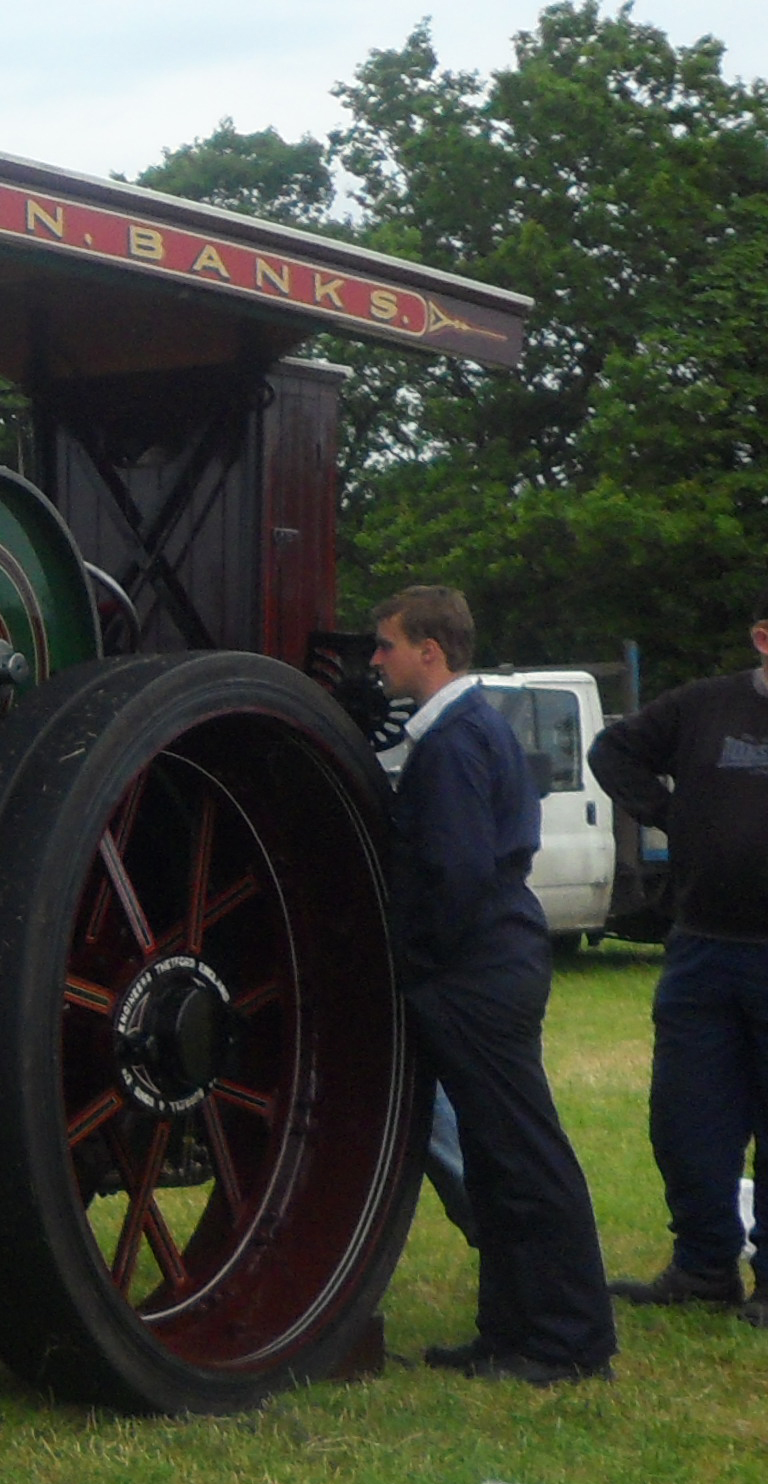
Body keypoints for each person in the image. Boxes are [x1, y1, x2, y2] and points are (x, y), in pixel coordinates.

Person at [370, 585, 618, 1383]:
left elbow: (456, 870)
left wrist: (415, 960)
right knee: (492, 1153)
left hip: (475, 970)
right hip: (491, 959)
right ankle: (510, 1333)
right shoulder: (475, 728)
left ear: (429, 651)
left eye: (386, 644)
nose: (376, 659)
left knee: (522, 1156)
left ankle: (569, 1343)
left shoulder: (453, 742)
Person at [591, 589, 768, 1323]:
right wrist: (671, 814)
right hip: (702, 948)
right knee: (686, 1118)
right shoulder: (703, 706)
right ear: (763, 637)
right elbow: (612, 751)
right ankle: (702, 1267)